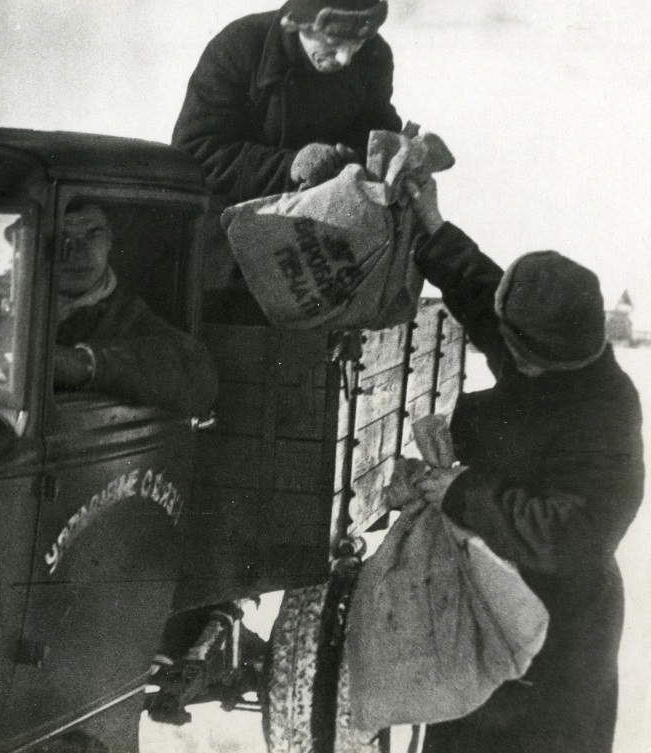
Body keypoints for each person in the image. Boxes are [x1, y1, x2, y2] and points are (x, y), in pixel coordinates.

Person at [405, 179, 644, 753]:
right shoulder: (540, 337)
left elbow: (575, 535)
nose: (519, 365)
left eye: (532, 360)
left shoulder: (609, 413)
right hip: (490, 604)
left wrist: (463, 493)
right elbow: (478, 287)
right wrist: (432, 227)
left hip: (562, 635)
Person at [172, 0, 402, 206]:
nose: (345, 57)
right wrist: (291, 166)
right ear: (300, 24)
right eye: (333, 40)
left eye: (357, 42)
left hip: (333, 210)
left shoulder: (374, 54)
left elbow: (375, 132)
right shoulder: (238, 46)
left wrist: (394, 154)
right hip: (237, 214)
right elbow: (197, 151)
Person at [52, 201, 218, 416]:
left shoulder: (126, 313)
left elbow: (197, 375)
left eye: (93, 234)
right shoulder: (13, 300)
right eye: (63, 237)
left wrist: (88, 364)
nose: (80, 252)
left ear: (109, 239)